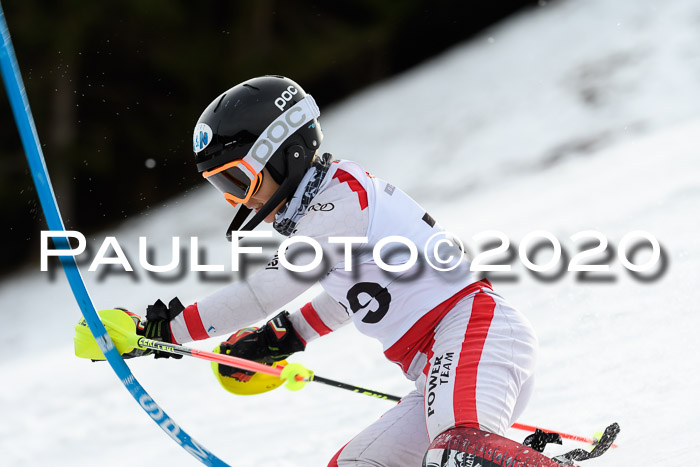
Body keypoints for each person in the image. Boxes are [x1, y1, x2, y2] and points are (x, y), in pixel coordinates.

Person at [125, 75, 552, 466]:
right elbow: (358, 296)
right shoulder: (325, 208)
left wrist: (161, 332)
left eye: (240, 181)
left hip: (476, 335)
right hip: (440, 369)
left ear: (283, 153)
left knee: (456, 454)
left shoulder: (338, 200)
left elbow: (262, 293)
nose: (241, 201)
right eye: (224, 189)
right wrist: (288, 334)